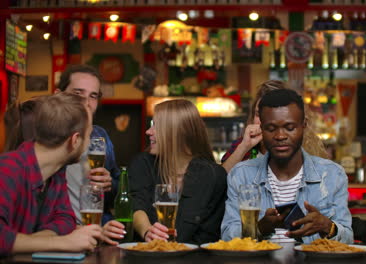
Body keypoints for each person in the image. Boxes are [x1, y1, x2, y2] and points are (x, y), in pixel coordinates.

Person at [221, 89, 353, 244]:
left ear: (304, 125)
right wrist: (259, 228)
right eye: (271, 129)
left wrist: (327, 227)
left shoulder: (332, 174)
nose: (280, 136)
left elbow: (348, 239)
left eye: (289, 128)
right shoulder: (241, 175)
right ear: (261, 129)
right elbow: (227, 237)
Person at [0, 93, 103, 255]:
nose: (89, 143)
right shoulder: (8, 169)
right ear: (75, 140)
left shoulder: (56, 172)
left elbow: (65, 220)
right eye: (89, 135)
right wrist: (63, 242)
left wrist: (33, 241)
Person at [130, 99, 227, 244]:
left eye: (156, 126)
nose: (148, 132)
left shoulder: (213, 176)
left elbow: (209, 237)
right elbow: (136, 204)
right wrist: (147, 231)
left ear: (176, 132)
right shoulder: (143, 163)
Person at [55, 64, 120, 225]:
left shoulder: (100, 136)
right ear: (58, 95)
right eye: (78, 93)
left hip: (97, 232)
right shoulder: (46, 137)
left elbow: (119, 188)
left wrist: (110, 184)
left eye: (93, 96)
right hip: (57, 235)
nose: (86, 102)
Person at [221, 80, 328, 173]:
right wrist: (244, 147)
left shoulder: (305, 151)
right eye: (259, 114)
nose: (266, 122)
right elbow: (220, 183)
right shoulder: (243, 146)